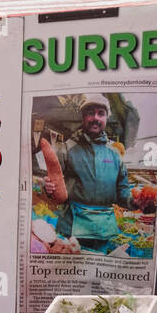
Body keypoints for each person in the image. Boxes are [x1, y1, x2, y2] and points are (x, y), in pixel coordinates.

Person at [41, 94, 137, 254]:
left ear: (107, 118)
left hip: (103, 230)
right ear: (83, 116)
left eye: (101, 113)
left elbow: (123, 193)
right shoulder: (65, 149)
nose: (95, 118)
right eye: (90, 113)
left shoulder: (115, 153)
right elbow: (53, 190)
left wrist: (137, 202)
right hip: (72, 227)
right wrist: (48, 188)